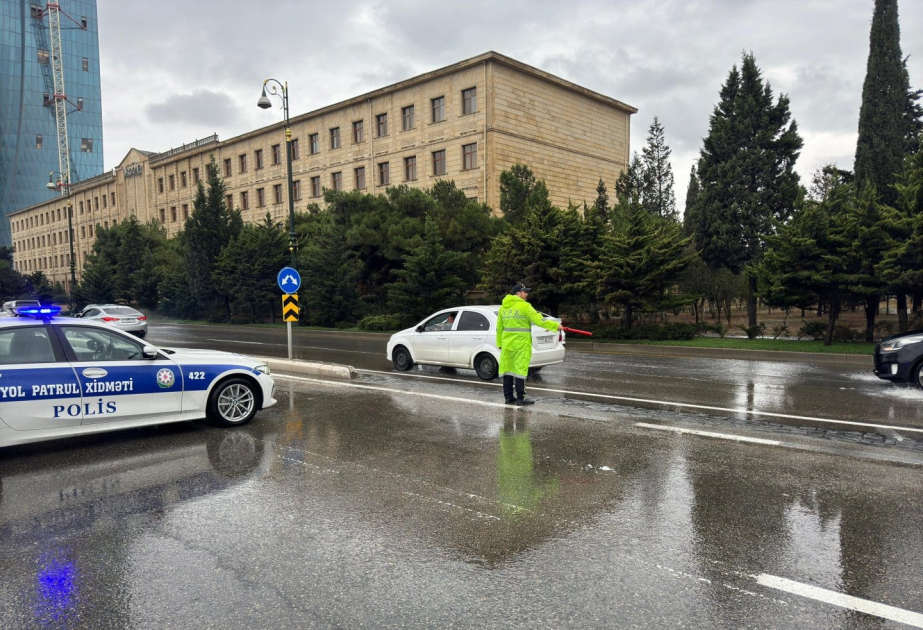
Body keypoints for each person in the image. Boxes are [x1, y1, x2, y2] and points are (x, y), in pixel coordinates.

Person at [496, 283, 559, 405]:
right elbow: (539, 320)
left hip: (507, 345)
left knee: (507, 370)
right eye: (524, 292)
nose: (527, 294)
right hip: (521, 344)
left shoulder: (503, 308)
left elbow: (499, 328)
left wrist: (499, 344)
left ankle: (508, 397)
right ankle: (521, 398)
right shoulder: (525, 306)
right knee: (521, 370)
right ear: (518, 293)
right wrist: (555, 326)